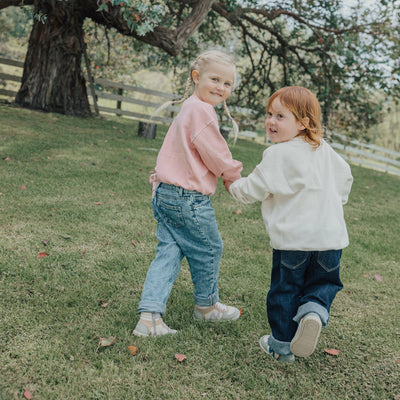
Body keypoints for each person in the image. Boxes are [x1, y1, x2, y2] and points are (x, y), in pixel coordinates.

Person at [228, 86, 353, 362]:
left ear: (304, 123)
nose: (271, 121)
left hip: (294, 243)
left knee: (285, 291)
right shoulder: (325, 150)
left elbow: (253, 188)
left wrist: (232, 185)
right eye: (269, 114)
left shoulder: (278, 155)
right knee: (323, 283)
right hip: (330, 240)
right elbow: (346, 178)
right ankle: (314, 311)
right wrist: (337, 201)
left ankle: (282, 347)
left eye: (281, 116)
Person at [133, 50, 243, 337]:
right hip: (187, 199)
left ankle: (149, 316)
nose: (221, 87)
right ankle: (206, 308)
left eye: (227, 84)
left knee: (169, 252)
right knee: (209, 248)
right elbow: (215, 154)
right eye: (215, 79)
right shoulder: (201, 111)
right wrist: (232, 176)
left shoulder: (191, 107)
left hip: (165, 192)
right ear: (196, 77)